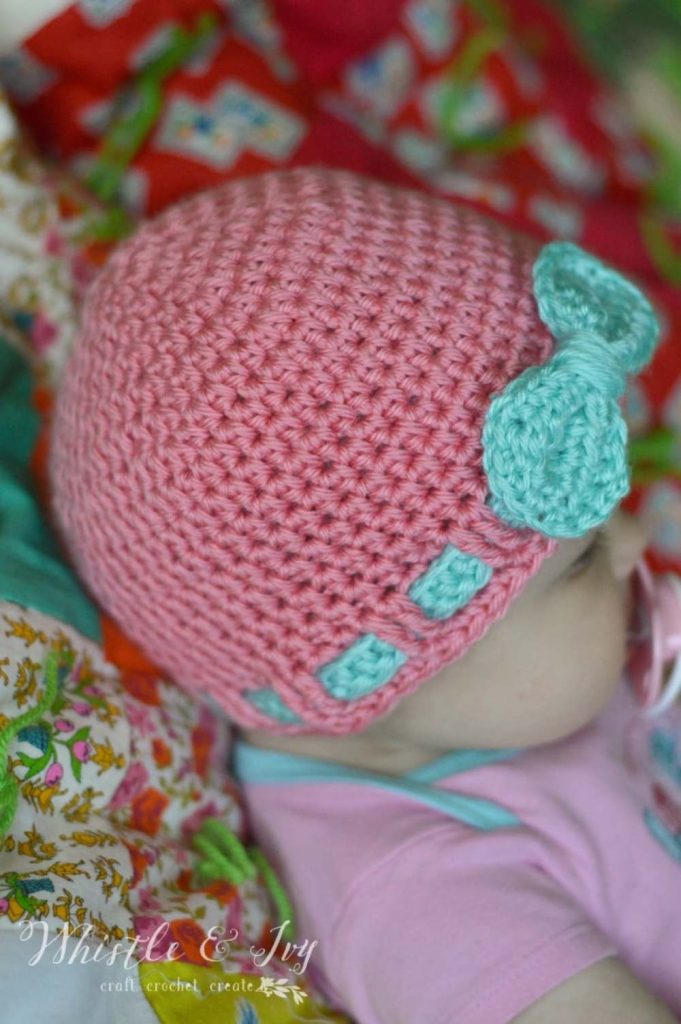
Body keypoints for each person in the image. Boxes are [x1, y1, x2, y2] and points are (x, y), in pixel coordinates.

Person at [48, 165, 681, 1023]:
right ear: (379, 676)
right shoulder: (422, 901)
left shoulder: (507, 692)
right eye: (579, 562)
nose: (637, 544)